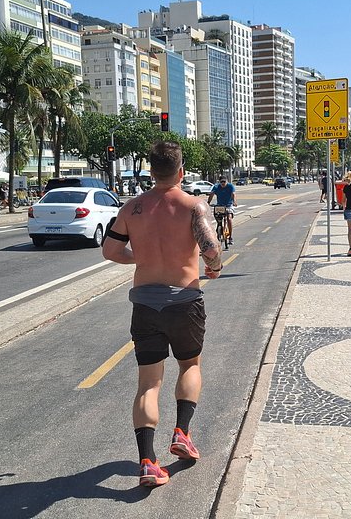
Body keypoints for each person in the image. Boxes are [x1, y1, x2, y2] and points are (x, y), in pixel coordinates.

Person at [102, 141, 222, 487]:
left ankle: (148, 462)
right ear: (181, 171)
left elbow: (111, 250)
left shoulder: (132, 207)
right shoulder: (192, 205)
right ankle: (182, 433)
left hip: (145, 303)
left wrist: (141, 258)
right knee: (190, 365)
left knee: (148, 383)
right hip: (184, 301)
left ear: (150, 171)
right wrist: (213, 267)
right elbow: (211, 248)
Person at [207, 176, 237, 245]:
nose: (223, 183)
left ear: (227, 181)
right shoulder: (216, 187)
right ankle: (219, 227)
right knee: (218, 217)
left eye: (224, 182)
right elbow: (211, 194)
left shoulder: (230, 186)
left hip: (228, 205)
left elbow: (233, 194)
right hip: (220, 206)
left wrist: (234, 201)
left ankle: (230, 237)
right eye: (221, 182)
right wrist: (208, 202)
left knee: (229, 218)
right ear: (219, 182)